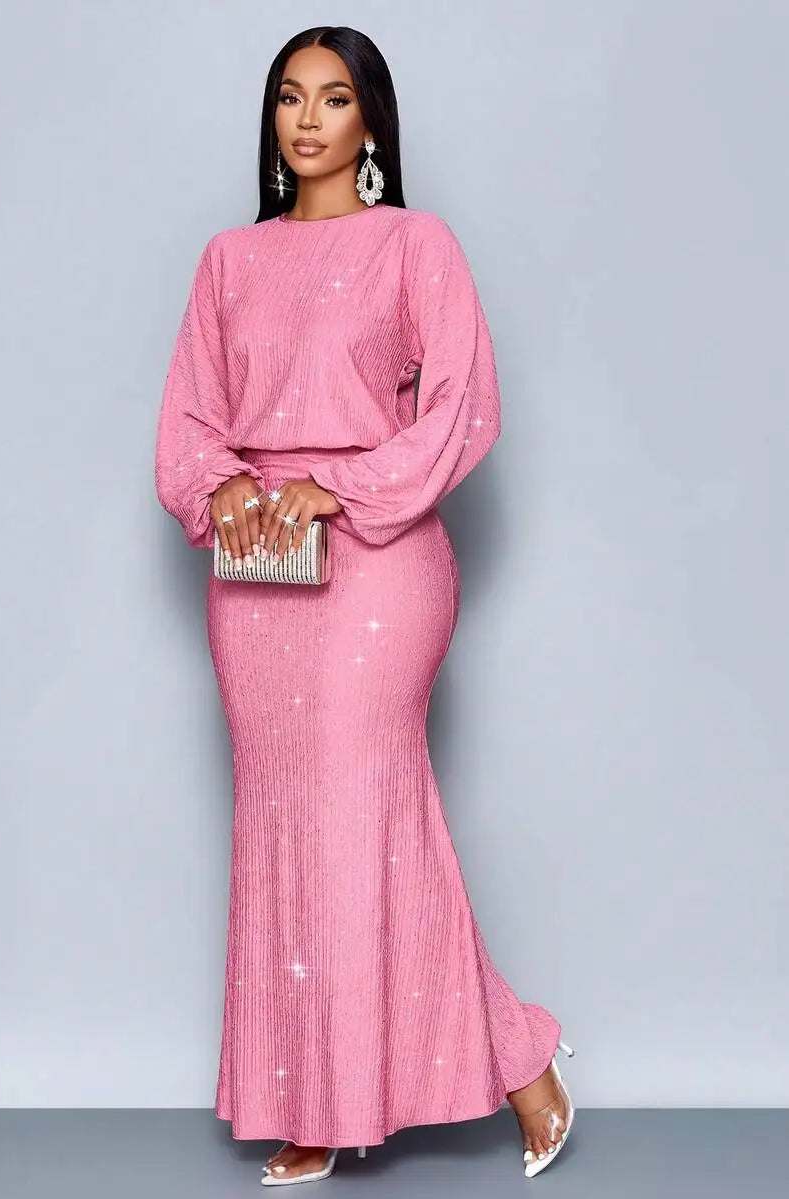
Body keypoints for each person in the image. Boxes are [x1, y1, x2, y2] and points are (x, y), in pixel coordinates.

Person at [155, 25, 576, 1187]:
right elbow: (189, 422)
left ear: (371, 122)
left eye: (333, 98)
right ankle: (318, 1095)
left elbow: (464, 408)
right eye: (290, 97)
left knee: (364, 816)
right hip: (258, 567)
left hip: (378, 559)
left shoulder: (413, 244)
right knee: (286, 826)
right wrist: (223, 483)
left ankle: (510, 1055)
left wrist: (336, 485)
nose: (307, 119)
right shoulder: (229, 260)